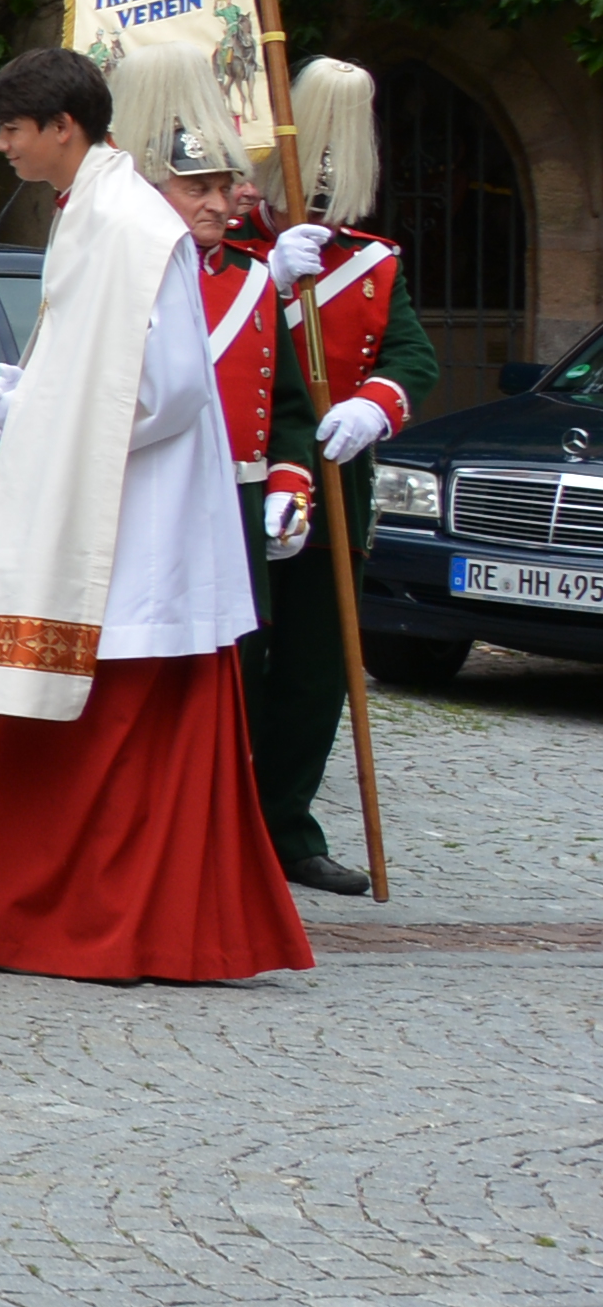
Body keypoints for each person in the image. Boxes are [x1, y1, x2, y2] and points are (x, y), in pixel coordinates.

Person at [0, 47, 307, 983]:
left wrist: (45, 413)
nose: (1, 146)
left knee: (115, 747)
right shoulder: (92, 210)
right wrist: (38, 390)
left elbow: (176, 388)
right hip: (105, 513)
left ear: (63, 128)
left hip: (135, 529)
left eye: (12, 130)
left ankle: (108, 929)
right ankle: (78, 925)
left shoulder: (130, 224)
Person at [248, 55, 406, 898]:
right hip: (253, 478)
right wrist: (267, 276)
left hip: (335, 483)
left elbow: (409, 352)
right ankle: (223, 817)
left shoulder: (372, 259)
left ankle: (287, 823)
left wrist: (376, 405)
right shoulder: (238, 250)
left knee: (317, 666)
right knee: (239, 658)